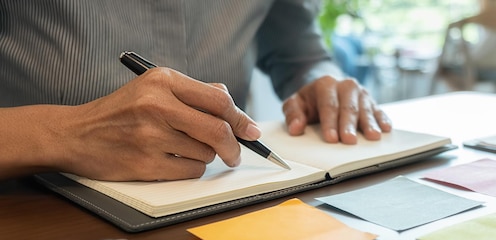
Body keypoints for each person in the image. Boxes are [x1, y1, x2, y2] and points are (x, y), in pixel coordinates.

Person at [0, 1, 392, 182]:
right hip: (34, 207)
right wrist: (66, 133)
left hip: (222, 206)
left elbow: (298, 53)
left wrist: (319, 80)